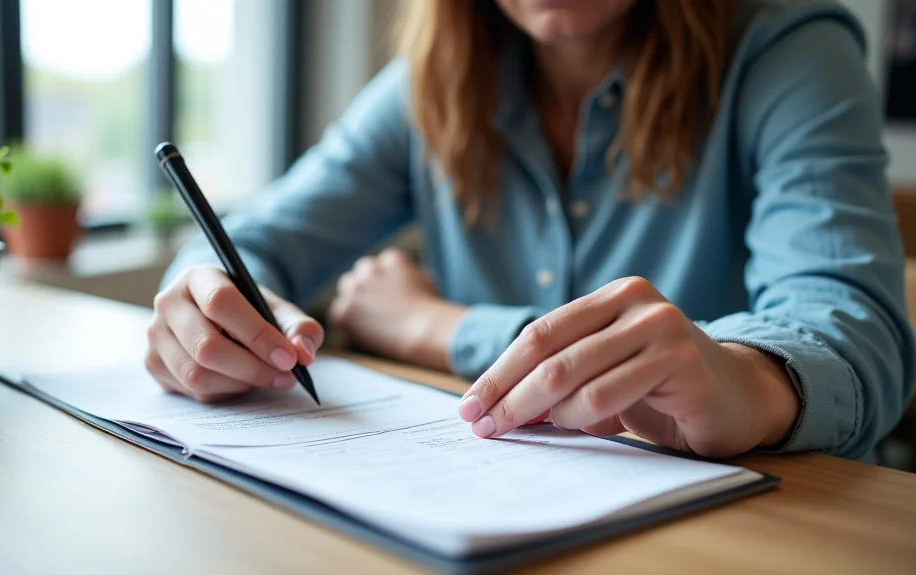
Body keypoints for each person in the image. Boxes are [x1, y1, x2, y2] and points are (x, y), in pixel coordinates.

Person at [149, 0, 915, 462]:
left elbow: (856, 335)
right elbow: (251, 240)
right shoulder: (431, 82)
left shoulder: (791, 49)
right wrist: (202, 302)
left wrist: (434, 329)